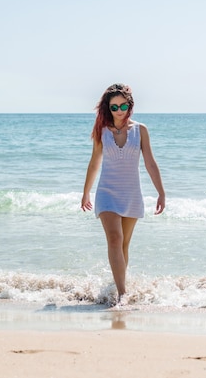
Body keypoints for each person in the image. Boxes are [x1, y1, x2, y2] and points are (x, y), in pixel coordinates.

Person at [81, 83, 165, 304]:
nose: (119, 111)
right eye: (114, 107)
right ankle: (122, 295)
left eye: (123, 106)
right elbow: (94, 163)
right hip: (107, 192)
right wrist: (86, 192)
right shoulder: (102, 131)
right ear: (108, 109)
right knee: (115, 239)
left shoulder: (140, 130)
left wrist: (161, 192)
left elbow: (150, 163)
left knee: (124, 244)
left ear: (130, 106)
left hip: (131, 193)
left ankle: (118, 285)